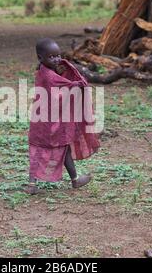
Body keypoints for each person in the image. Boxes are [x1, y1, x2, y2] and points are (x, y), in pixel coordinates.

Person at [25, 38, 100, 195]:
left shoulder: (43, 71)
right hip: (51, 124)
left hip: (40, 122)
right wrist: (77, 84)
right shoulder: (49, 76)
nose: (57, 59)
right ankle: (74, 180)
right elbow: (66, 87)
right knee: (59, 149)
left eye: (58, 55)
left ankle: (34, 184)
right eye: (51, 57)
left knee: (40, 150)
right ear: (40, 58)